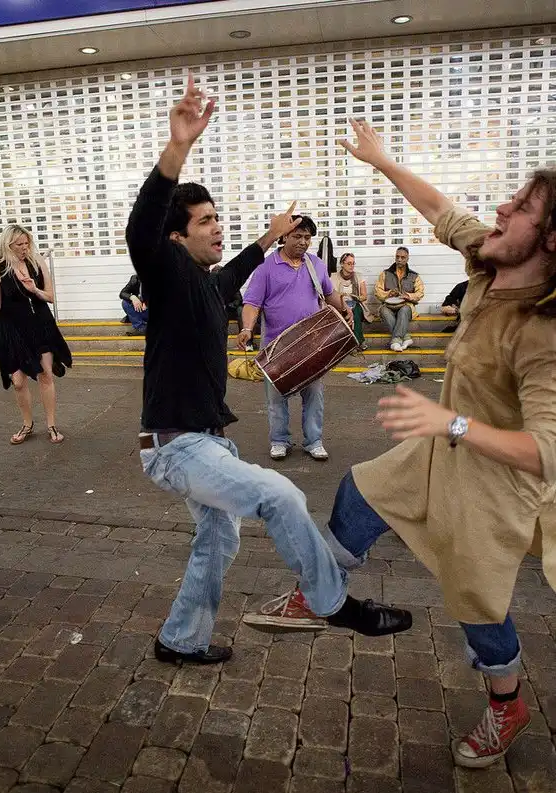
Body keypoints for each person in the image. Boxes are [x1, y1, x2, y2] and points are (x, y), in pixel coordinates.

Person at [248, 118, 556, 769]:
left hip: (493, 482)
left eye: (523, 207)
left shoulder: (544, 331)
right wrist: (382, 162)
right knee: (360, 490)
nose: (502, 208)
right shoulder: (492, 257)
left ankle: (507, 704)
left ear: (552, 238)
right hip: (438, 448)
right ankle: (320, 593)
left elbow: (545, 451)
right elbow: (441, 209)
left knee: (478, 600)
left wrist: (451, 424)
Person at [126, 75, 411, 666]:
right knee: (280, 494)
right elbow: (142, 226)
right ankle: (332, 603)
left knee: (218, 537)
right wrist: (178, 147)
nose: (217, 226)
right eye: (205, 221)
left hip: (208, 442)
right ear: (176, 237)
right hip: (176, 447)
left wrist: (270, 237)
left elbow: (236, 272)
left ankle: (179, 640)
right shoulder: (166, 273)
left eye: (217, 217)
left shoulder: (206, 286)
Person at [238, 216, 353, 461]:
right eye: (297, 236)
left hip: (312, 345)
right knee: (276, 399)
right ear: (284, 237)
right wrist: (247, 328)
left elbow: (329, 293)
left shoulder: (315, 264)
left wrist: (344, 308)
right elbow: (252, 303)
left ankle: (314, 441)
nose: (303, 242)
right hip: (276, 347)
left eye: (307, 237)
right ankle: (280, 441)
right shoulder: (266, 267)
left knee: (314, 395)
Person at [0, 224, 72, 445]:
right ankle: (27, 424)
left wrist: (34, 290)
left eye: (27, 243)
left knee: (45, 375)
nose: (24, 248)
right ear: (7, 245)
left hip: (40, 325)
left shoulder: (37, 263)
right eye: (19, 244)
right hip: (13, 331)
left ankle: (51, 425)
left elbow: (50, 297)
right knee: (18, 381)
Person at [375, 246, 425, 351]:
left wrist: (408, 296)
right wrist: (388, 293)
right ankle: (406, 337)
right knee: (383, 310)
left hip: (406, 305)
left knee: (404, 310)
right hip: (389, 306)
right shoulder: (385, 274)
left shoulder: (414, 276)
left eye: (403, 257)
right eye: (397, 257)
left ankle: (396, 341)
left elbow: (420, 293)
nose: (399, 259)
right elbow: (377, 292)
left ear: (407, 258)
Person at [330, 252, 373, 348]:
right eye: (349, 263)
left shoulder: (358, 276)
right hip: (340, 304)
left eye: (353, 263)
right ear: (342, 264)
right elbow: (330, 295)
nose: (352, 266)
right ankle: (355, 342)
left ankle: (357, 342)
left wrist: (356, 297)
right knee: (347, 311)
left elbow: (364, 296)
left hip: (355, 303)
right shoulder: (333, 277)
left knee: (355, 310)